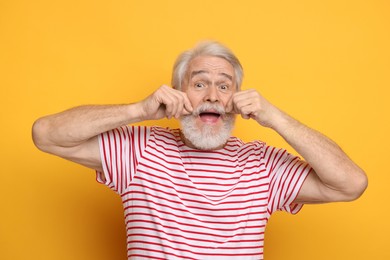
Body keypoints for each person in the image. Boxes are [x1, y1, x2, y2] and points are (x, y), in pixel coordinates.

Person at [32, 41, 368, 259]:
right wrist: (138, 110)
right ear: (178, 93)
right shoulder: (139, 151)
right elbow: (46, 134)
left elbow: (350, 183)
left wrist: (276, 118)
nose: (211, 95)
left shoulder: (263, 165)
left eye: (224, 85)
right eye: (199, 83)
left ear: (237, 100)